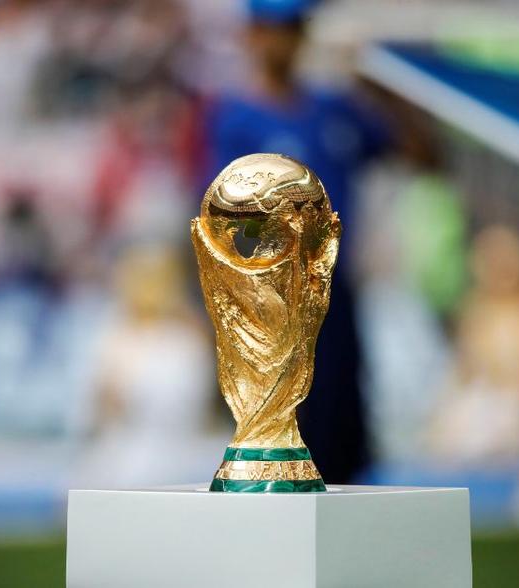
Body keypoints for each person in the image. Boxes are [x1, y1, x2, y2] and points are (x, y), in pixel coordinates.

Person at [208, 0, 395, 484]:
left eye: (291, 29)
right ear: (252, 35)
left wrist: (380, 78)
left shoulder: (336, 108)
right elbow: (217, 219)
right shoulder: (231, 118)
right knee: (284, 429)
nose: (281, 41)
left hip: (332, 290)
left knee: (342, 422)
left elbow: (415, 151)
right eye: (272, 29)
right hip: (270, 303)